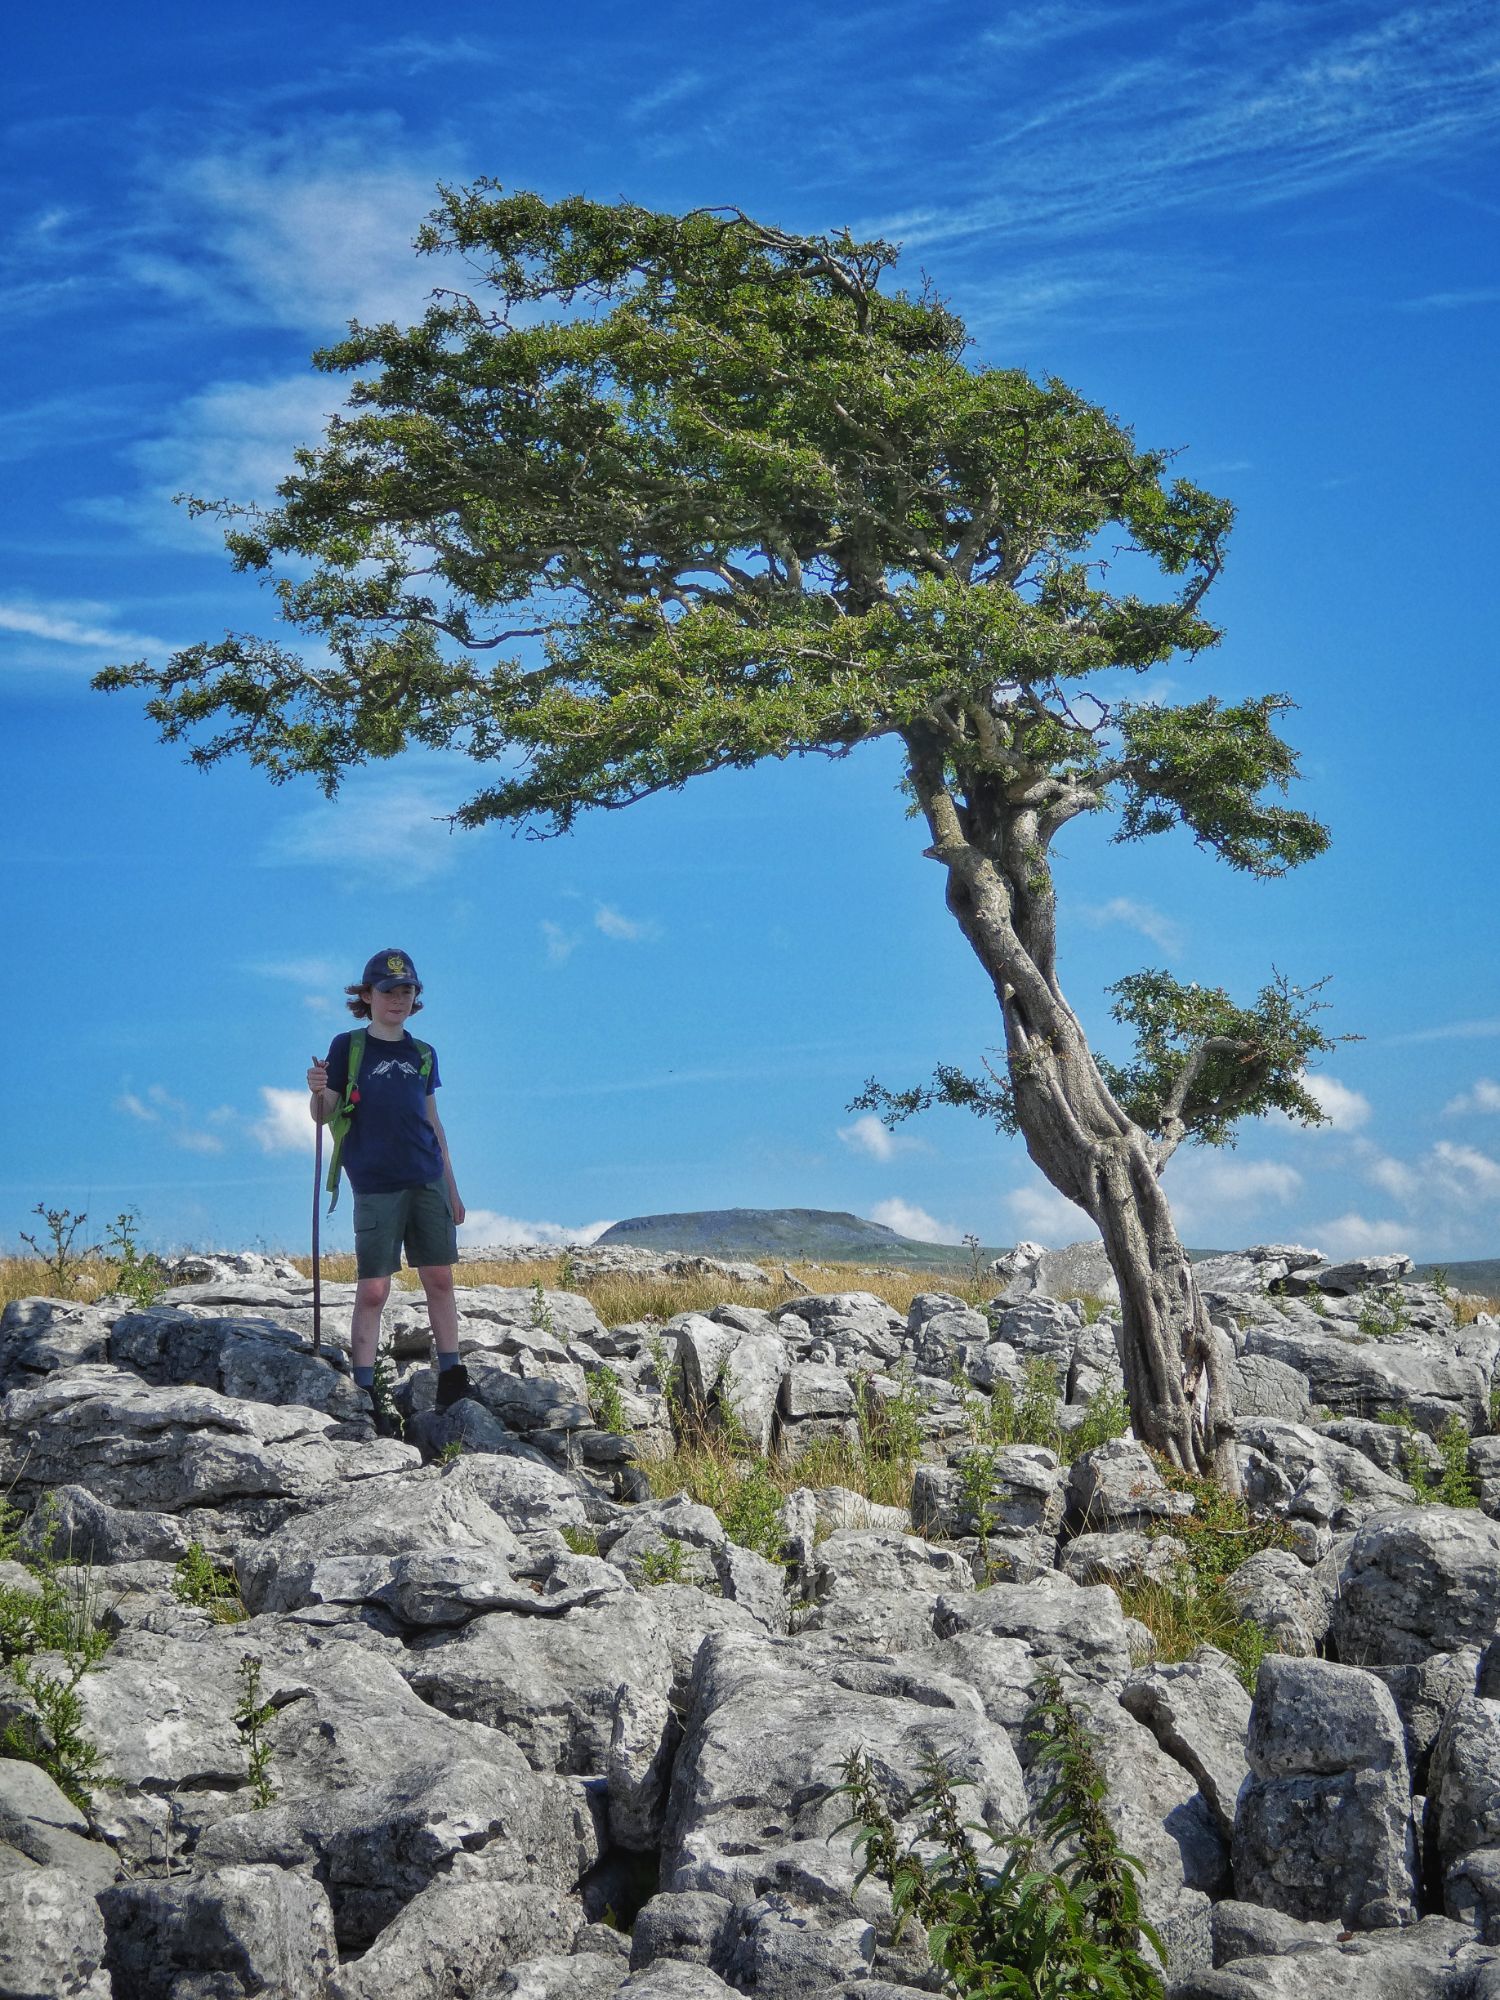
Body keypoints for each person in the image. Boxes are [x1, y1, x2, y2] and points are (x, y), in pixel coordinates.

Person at [306, 949, 471, 1427]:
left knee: (439, 1279)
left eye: (406, 991)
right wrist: (317, 1088)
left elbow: (433, 1122)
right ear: (366, 996)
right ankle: (364, 1387)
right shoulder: (349, 1046)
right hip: (376, 1183)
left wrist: (453, 1189)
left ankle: (452, 1375)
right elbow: (324, 1113)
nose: (398, 999)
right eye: (388, 991)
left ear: (415, 997)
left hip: (427, 1178)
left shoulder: (423, 1053)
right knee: (375, 1288)